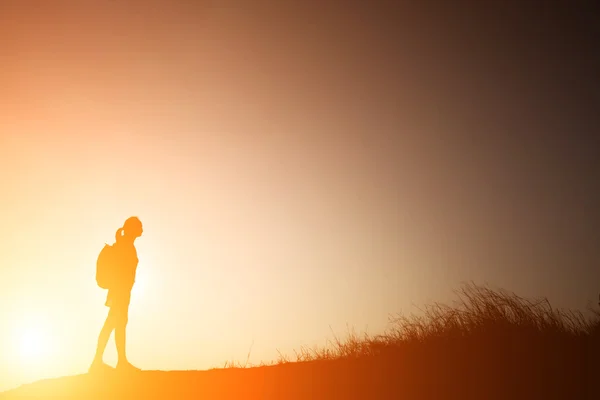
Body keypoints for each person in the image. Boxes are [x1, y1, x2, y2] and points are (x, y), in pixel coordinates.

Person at [90, 216, 143, 372]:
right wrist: (121, 293)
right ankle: (100, 362)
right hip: (120, 293)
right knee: (112, 324)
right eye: (139, 226)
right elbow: (122, 271)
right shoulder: (125, 245)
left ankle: (116, 361)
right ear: (132, 228)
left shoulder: (126, 244)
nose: (142, 230)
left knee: (117, 325)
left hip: (122, 292)